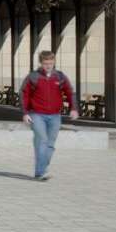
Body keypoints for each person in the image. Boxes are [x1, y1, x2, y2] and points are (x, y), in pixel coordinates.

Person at [17, 51, 75, 180]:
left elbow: (70, 92)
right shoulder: (33, 77)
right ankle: (42, 172)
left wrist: (74, 108)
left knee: (50, 144)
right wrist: (25, 113)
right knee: (43, 141)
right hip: (37, 114)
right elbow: (23, 94)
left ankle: (39, 171)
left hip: (55, 116)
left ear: (54, 62)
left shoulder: (60, 77)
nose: (48, 66)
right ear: (41, 63)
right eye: (45, 63)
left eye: (50, 63)